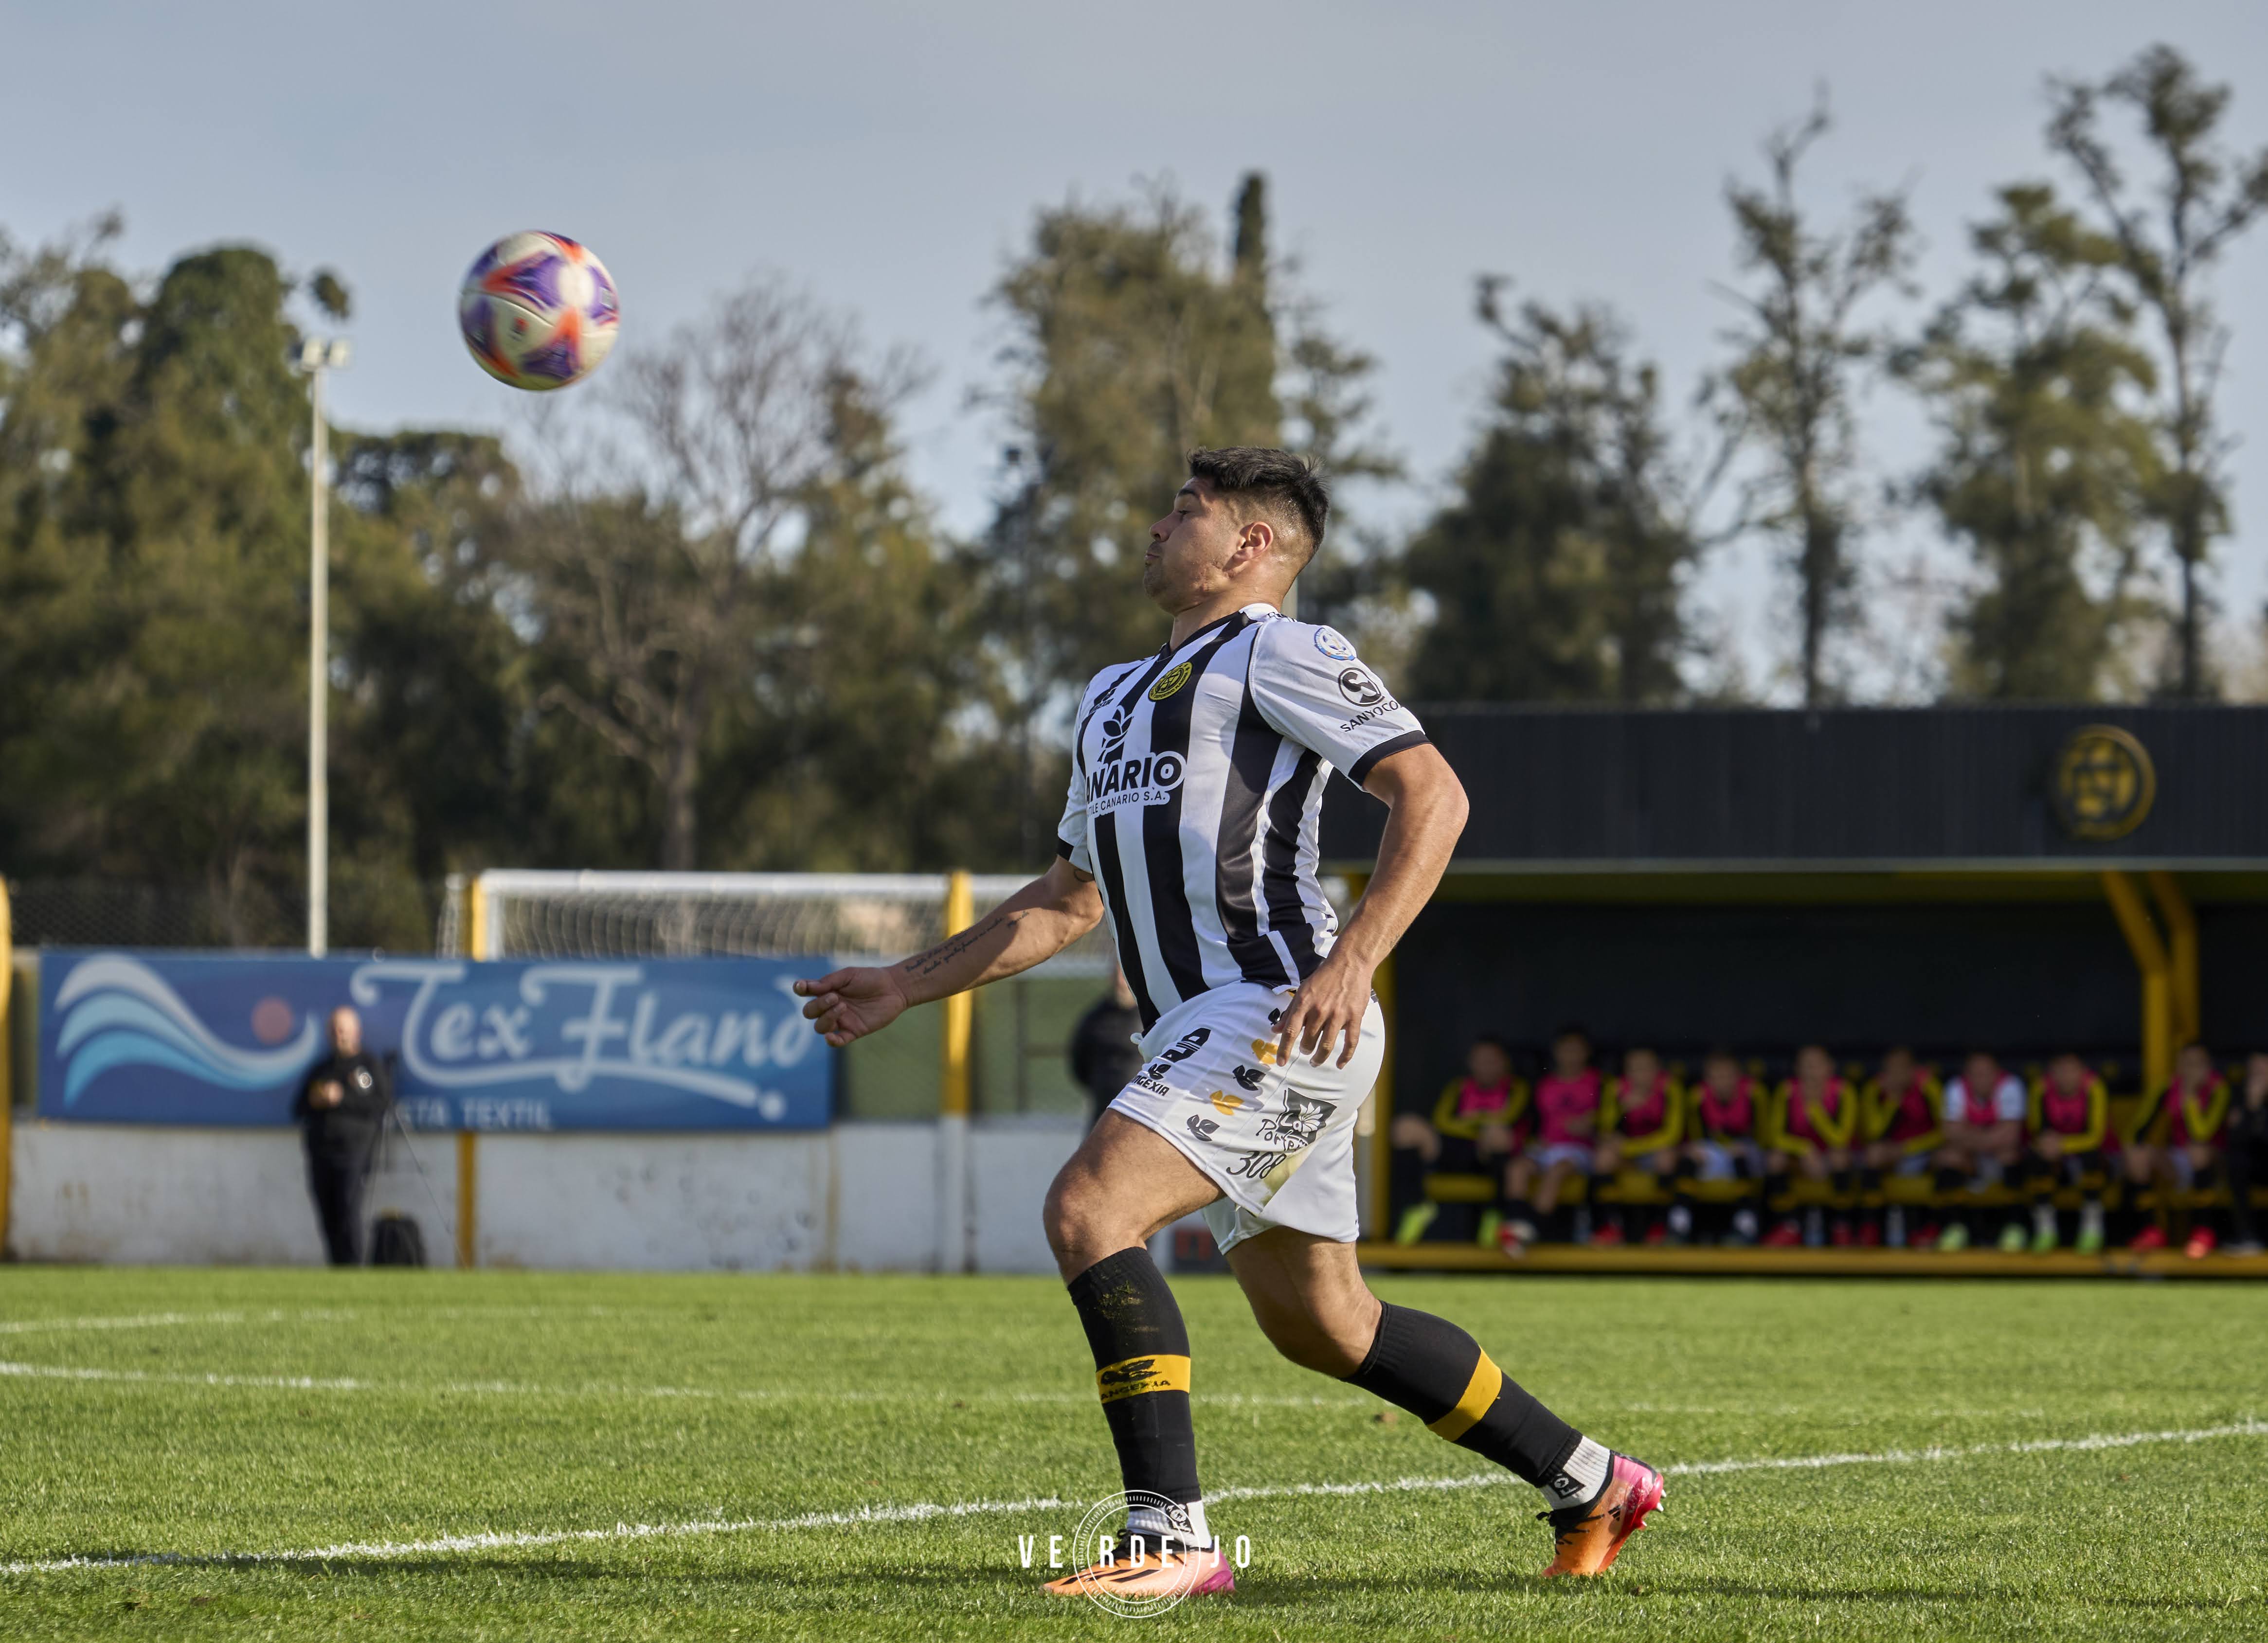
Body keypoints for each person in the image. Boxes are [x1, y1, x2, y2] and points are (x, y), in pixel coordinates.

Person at [794, 448, 1661, 1598]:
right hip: (1202, 1032)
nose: (1156, 527)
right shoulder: (1109, 698)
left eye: (1185, 512)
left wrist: (1355, 961)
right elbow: (1068, 900)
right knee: (1327, 1324)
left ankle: (1168, 1536)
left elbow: (1433, 795)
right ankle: (1593, 1479)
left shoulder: (1281, 650)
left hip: (1278, 1009)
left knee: (1089, 1206)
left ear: (1253, 545)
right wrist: (908, 981)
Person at [1388, 1035, 1529, 1247]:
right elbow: (1442, 1121)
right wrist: (1477, 1123)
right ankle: (1417, 1207)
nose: (1486, 1067)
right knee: (1405, 1127)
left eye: (1492, 1061)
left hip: (1487, 1156)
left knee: (1497, 1135)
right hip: (1453, 1149)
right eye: (1481, 1060)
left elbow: (1507, 1118)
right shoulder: (1459, 1087)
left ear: (1504, 1063)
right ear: (1471, 1063)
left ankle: (1495, 1216)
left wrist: (1473, 1121)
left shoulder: (1516, 1088)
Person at [294, 1006, 391, 1267]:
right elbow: (298, 1107)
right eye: (335, 1030)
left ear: (356, 1032)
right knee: (328, 1212)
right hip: (320, 1153)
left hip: (353, 1152)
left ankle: (353, 1266)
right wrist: (317, 1099)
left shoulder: (364, 1069)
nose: (339, 1035)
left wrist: (341, 1099)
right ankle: (337, 1267)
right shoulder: (321, 1070)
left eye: (344, 1030)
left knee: (349, 1210)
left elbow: (378, 1103)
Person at [1499, 1027, 1602, 1253]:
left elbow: (1611, 1117)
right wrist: (1532, 1142)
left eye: (1577, 1050)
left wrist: (1592, 1123)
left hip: (1580, 1151)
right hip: (1547, 1149)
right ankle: (1516, 1226)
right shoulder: (1544, 1084)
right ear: (1556, 1053)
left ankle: (1529, 1230)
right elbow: (1530, 1122)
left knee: (1557, 1171)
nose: (1571, 1056)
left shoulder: (1598, 1082)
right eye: (1566, 1050)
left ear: (1587, 1053)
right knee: (1517, 1168)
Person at [2125, 1042, 2232, 1257]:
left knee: (2198, 1149)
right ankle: (2152, 1230)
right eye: (2187, 1064)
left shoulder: (2219, 1089)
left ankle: (2204, 1232)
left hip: (2215, 1166)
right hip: (2178, 1163)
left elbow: (2203, 1134)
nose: (2192, 1070)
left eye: (2197, 1064)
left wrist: (2190, 1100)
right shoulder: (2167, 1087)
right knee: (2138, 1153)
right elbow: (2136, 1131)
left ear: (2208, 1066)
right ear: (2179, 1066)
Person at [1763, 1045, 1860, 1248]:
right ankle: (1789, 1225)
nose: (1811, 1071)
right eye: (1806, 1066)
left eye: (1817, 1065)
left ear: (1829, 1068)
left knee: (1840, 1156)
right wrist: (1804, 1149)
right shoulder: (1787, 1092)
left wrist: (1816, 1112)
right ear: (1798, 1069)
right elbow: (1774, 1135)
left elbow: (1842, 1137)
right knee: (1775, 1159)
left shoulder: (1843, 1091)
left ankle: (1840, 1225)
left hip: (1832, 1158)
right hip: (1802, 1159)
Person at [1932, 1050, 2027, 1252]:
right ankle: (1954, 1227)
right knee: (1949, 1157)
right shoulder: (1956, 1088)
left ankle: (2014, 1227)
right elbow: (1950, 1132)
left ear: (1996, 1073)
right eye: (1976, 1073)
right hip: (1971, 1160)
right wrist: (1987, 1141)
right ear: (1967, 1075)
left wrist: (1972, 1137)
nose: (1981, 1078)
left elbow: (2011, 1135)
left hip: (1996, 1158)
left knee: (2010, 1154)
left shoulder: (2010, 1086)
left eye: (1986, 1073)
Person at [1591, 1047, 1683, 1246]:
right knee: (1604, 1158)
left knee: (1666, 1158)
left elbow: (1672, 1134)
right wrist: (1623, 1109)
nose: (1641, 1075)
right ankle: (1609, 1225)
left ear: (1658, 1070)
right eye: (1635, 1069)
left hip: (1651, 1151)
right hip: (1625, 1155)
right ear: (1627, 1072)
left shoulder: (1670, 1088)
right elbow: (1606, 1128)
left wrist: (1632, 1148)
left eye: (1647, 1068)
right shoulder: (1616, 1089)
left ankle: (1659, 1226)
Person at [2023, 1053, 2111, 1255]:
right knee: (2037, 1159)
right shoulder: (2041, 1089)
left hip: (2091, 1156)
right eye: (2060, 1070)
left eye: (2072, 1070)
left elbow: (2096, 1137)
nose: (2066, 1076)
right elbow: (2036, 1131)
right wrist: (2048, 1146)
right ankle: (2045, 1230)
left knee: (2092, 1157)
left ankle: (2092, 1228)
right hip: (2055, 1158)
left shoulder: (2094, 1088)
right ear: (2052, 1073)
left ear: (2083, 1072)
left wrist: (2063, 1145)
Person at [1677, 1047, 1764, 1246]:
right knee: (1693, 1155)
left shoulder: (1754, 1093)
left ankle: (1746, 1222)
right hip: (1714, 1151)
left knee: (1742, 1154)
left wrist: (1741, 1146)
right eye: (1716, 1076)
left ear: (1738, 1076)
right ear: (1708, 1079)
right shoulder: (1697, 1096)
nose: (1722, 1081)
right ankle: (1680, 1222)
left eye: (1728, 1075)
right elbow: (1695, 1135)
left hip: (1749, 1151)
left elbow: (1764, 1135)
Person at [1858, 1047, 1941, 1248]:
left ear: (1913, 1069)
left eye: (1902, 1069)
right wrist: (1892, 1102)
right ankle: (1872, 1227)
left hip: (1923, 1150)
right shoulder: (1875, 1088)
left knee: (1948, 1158)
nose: (1897, 1075)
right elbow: (1872, 1133)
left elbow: (1945, 1131)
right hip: (1890, 1153)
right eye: (1891, 1070)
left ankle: (1929, 1227)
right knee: (1873, 1154)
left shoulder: (1928, 1086)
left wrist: (1908, 1148)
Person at [1068, 968, 1145, 1128]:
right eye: (1115, 975)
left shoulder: (1150, 1017)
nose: (1120, 982)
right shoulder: (1096, 1016)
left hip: (1142, 1112)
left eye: (1123, 976)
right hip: (1103, 1112)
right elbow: (1079, 1060)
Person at [2225, 1052, 2268, 1257]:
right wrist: (2253, 1108)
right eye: (2254, 1072)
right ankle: (2247, 1236)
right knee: (2236, 1162)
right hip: (2253, 1167)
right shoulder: (2239, 1097)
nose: (2258, 1078)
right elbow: (2236, 1139)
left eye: (2263, 1071)